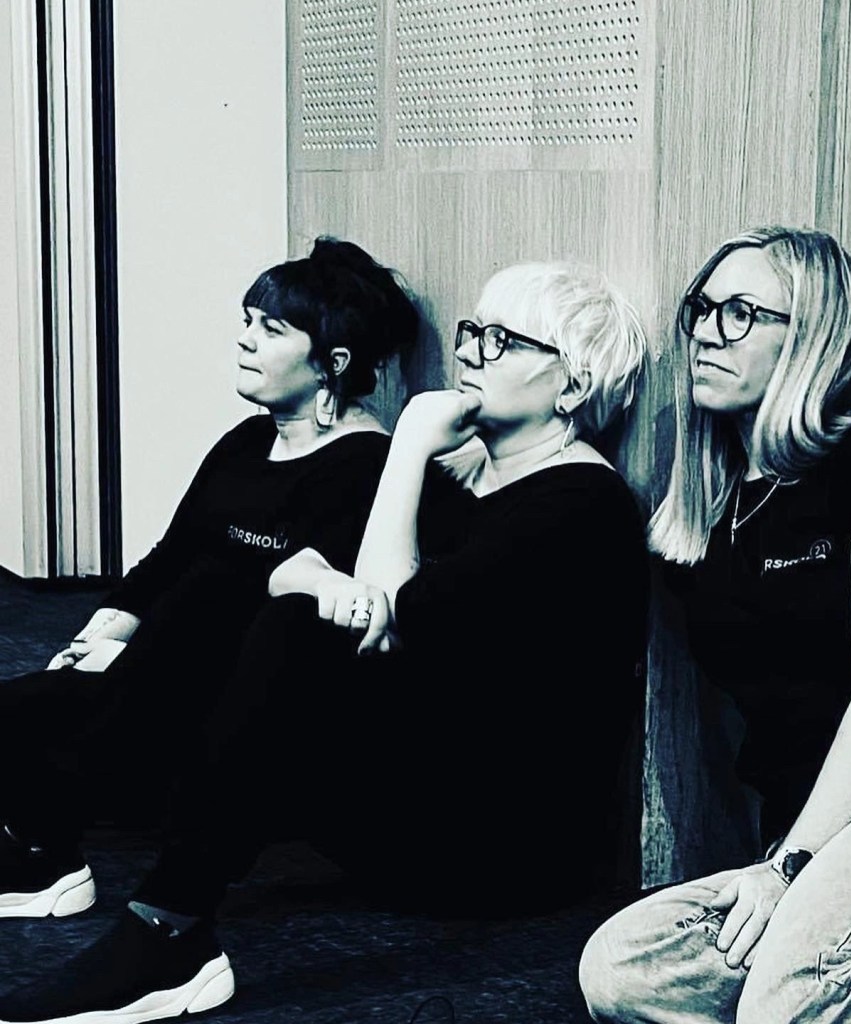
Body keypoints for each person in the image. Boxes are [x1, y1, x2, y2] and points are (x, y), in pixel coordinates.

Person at [0, 260, 651, 1024]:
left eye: (502, 341)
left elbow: (391, 608)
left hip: (499, 847)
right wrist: (322, 579)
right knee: (226, 594)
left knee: (293, 632)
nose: (470, 352)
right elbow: (303, 573)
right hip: (418, 787)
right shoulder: (473, 477)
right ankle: (70, 849)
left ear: (571, 386)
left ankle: (164, 929)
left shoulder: (581, 505)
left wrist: (406, 449)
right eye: (473, 331)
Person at [579, 226, 851, 1024]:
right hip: (817, 833)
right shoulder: (709, 511)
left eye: (742, 313)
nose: (707, 333)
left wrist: (790, 866)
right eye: (702, 308)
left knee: (788, 996)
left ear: (815, 334)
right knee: (622, 969)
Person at [0, 237, 416, 916]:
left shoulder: (365, 465)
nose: (245, 340)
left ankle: (48, 856)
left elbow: (277, 620)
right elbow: (167, 558)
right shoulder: (245, 442)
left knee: (208, 596)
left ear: (332, 363)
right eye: (247, 321)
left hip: (218, 715)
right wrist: (95, 637)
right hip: (145, 677)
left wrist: (131, 656)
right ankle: (43, 839)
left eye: (272, 329)